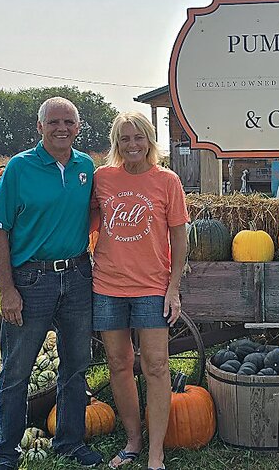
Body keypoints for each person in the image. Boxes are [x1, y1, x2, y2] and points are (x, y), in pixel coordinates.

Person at [0, 97, 102, 469]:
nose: (61, 128)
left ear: (78, 127)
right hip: (32, 279)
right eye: (54, 122)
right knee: (17, 369)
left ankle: (69, 442)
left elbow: (102, 211)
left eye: (69, 122)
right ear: (40, 127)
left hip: (79, 275)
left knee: (76, 365)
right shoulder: (19, 168)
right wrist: (8, 289)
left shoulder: (86, 166)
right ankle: (5, 451)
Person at [89, 111, 188, 470]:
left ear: (149, 140)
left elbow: (179, 235)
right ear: (116, 144)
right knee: (118, 363)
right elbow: (86, 219)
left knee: (157, 366)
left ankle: (155, 453)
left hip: (151, 286)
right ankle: (133, 440)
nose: (133, 145)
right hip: (107, 286)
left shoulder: (167, 181)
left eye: (139, 138)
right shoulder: (102, 178)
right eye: (125, 139)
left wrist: (172, 289)